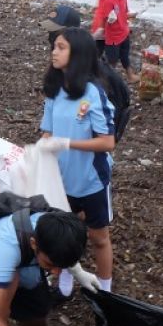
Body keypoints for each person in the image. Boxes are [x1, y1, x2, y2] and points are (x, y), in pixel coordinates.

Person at [36, 27, 117, 293]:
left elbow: (107, 142)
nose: (53, 52)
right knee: (66, 232)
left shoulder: (93, 93)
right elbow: (48, 132)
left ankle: (105, 291)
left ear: (78, 54)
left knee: (98, 237)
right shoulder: (53, 91)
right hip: (61, 179)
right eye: (54, 46)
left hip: (91, 179)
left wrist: (67, 143)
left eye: (61, 47)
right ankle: (67, 280)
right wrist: (41, 149)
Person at [39, 4, 132, 142]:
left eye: (54, 32)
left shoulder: (92, 83)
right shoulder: (58, 78)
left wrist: (67, 144)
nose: (50, 39)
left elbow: (105, 140)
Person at [91, 0, 138, 82]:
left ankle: (96, 74)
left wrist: (126, 18)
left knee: (104, 53)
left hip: (111, 27)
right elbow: (109, 13)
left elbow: (121, 12)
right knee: (107, 56)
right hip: (105, 27)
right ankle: (100, 77)